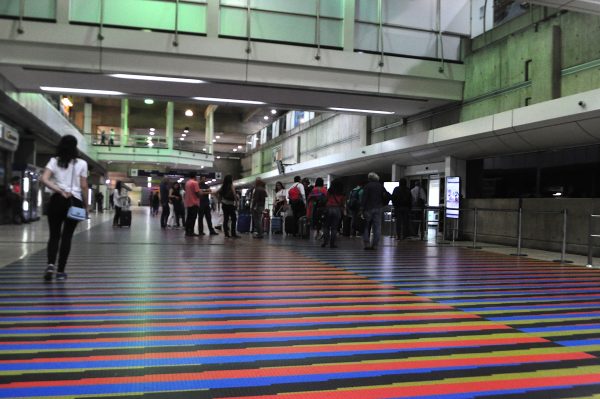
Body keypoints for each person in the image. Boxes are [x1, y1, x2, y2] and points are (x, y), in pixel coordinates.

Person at [40, 134, 88, 281]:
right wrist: (87, 205)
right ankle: (61, 271)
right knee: (67, 237)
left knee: (54, 236)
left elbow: (44, 179)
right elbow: (84, 186)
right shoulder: (81, 163)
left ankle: (50, 265)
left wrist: (59, 190)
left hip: (57, 201)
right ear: (75, 147)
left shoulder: (54, 161)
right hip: (74, 202)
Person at [361, 172, 390, 250]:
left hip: (368, 208)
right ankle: (375, 245)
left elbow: (364, 198)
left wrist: (362, 208)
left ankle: (367, 244)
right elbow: (386, 195)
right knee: (377, 227)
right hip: (378, 208)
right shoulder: (380, 186)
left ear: (369, 178)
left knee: (366, 226)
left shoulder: (367, 186)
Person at [321, 178, 345, 248]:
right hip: (337, 210)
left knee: (326, 226)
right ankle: (332, 244)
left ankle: (325, 242)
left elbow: (326, 199)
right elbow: (342, 204)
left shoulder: (330, 191)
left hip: (328, 209)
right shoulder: (342, 193)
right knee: (334, 228)